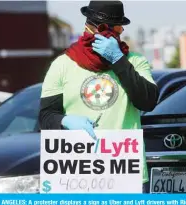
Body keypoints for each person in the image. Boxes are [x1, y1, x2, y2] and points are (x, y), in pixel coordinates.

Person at [39, 0, 159, 193]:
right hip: (78, 176)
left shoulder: (135, 62)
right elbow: (45, 117)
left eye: (118, 30)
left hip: (126, 174)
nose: (116, 34)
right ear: (90, 28)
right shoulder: (62, 65)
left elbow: (148, 100)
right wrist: (65, 121)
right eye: (110, 29)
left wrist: (118, 60)